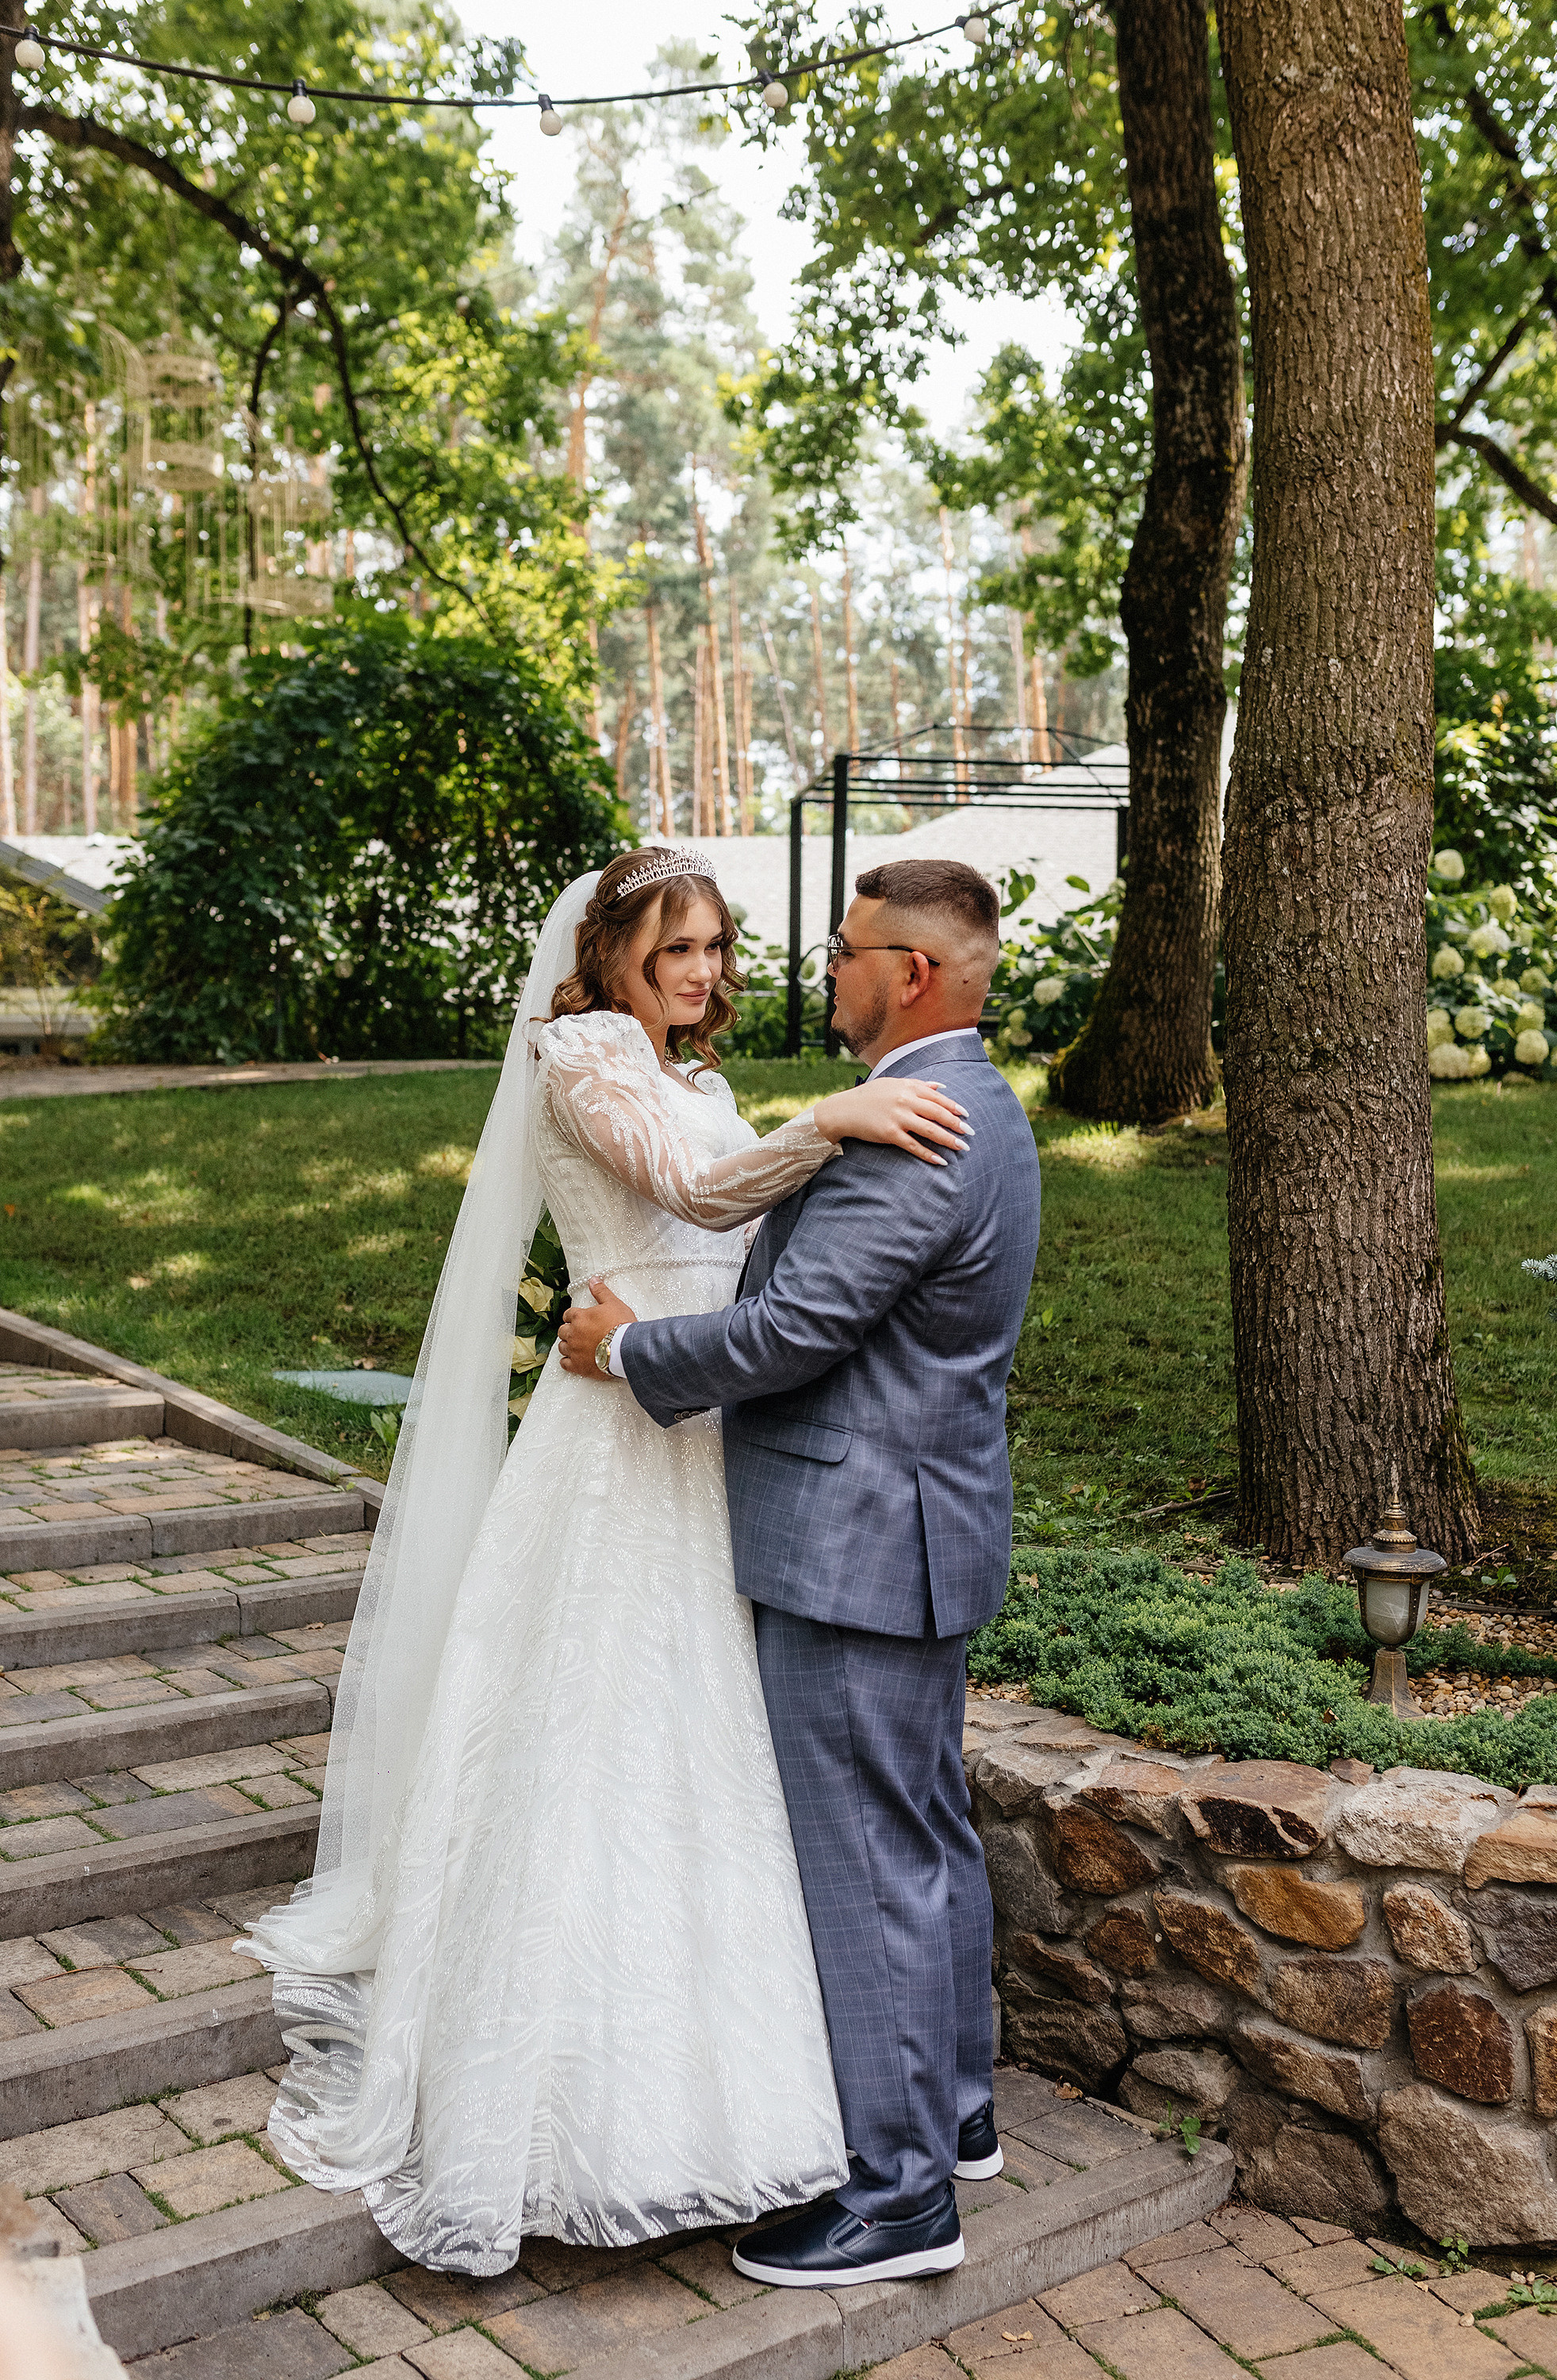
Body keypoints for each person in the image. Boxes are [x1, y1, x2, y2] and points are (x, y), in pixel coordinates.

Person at [242, 845, 971, 2278]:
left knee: (709, 1740)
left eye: (714, 948)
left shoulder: (694, 1073)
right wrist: (833, 1119)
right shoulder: (578, 1055)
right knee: (598, 1730)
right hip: (614, 1442)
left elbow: (748, 1233)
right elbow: (696, 1196)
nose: (700, 972)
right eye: (671, 948)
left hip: (700, 1422)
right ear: (611, 954)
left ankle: (771, 2085)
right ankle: (575, 2089)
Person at [559, 856, 1042, 2288]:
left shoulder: (909, 1137)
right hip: (923, 1525)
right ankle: (954, 2114)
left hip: (854, 1546)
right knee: (927, 1834)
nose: (823, 967)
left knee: (871, 1862)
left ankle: (897, 2201)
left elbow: (791, 1333)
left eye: (846, 950)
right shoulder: (983, 1102)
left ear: (912, 974)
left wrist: (626, 1348)